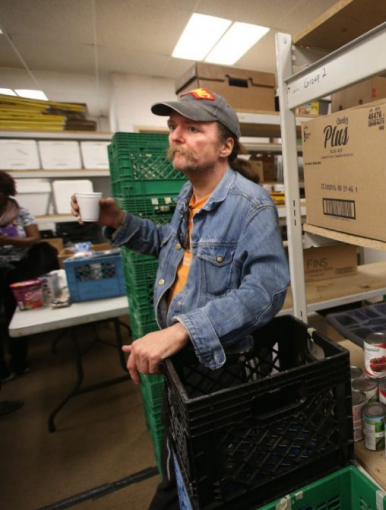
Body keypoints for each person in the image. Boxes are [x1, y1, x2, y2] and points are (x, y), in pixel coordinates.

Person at [71, 88, 289, 509]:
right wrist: (118, 221)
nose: (175, 136)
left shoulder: (251, 205)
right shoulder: (187, 198)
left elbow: (266, 291)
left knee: (207, 477)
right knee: (181, 466)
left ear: (225, 146)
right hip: (182, 359)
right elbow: (170, 246)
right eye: (173, 127)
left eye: (192, 128)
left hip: (219, 365)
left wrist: (183, 330)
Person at [0, 171, 58, 382]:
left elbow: (34, 238)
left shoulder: (20, 213)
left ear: (5, 192)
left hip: (17, 271)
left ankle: (19, 361)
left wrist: (8, 241)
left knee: (16, 314)